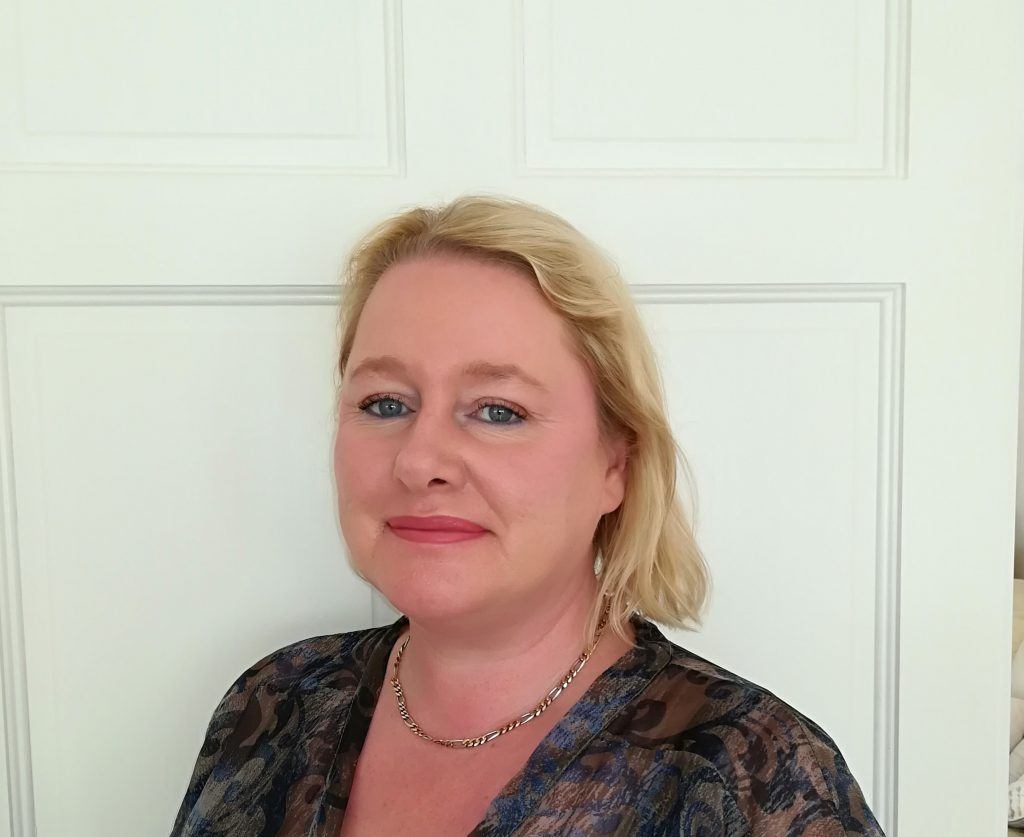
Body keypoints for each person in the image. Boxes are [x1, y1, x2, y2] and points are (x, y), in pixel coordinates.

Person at [171, 195, 886, 836]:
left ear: (616, 465)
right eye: (385, 403)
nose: (420, 461)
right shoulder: (274, 706)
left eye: (498, 411)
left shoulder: (753, 778)